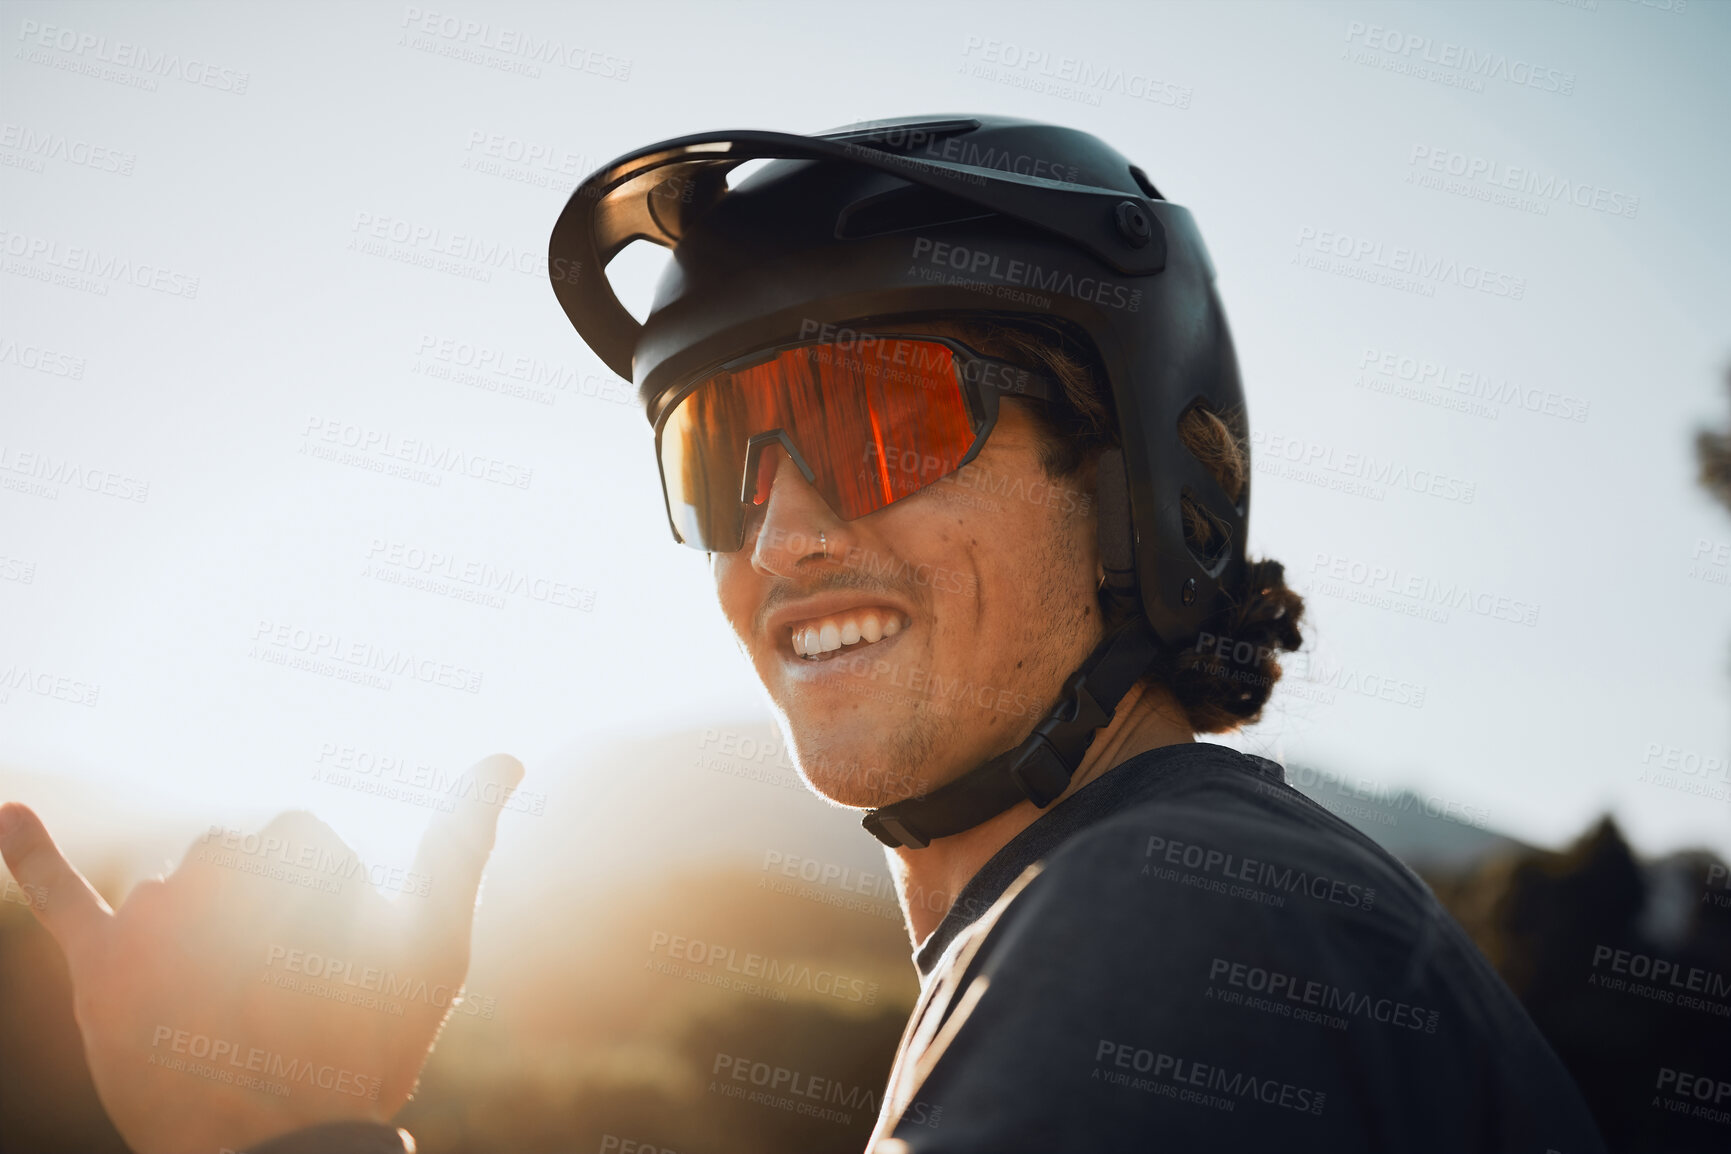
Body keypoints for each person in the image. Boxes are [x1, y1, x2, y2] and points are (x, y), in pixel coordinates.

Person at [0, 115, 1606, 1153]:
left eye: (883, 417)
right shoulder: (1183, 899)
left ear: (1131, 479)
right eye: (722, 453)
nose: (783, 531)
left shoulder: (1155, 921)